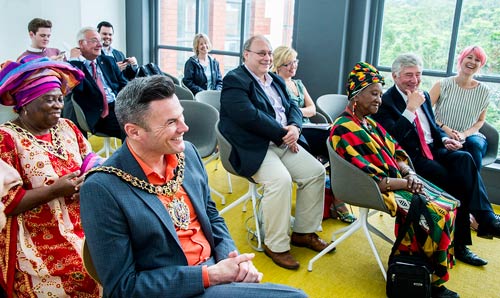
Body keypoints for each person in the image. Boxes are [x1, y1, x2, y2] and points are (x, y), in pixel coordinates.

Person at [79, 75, 307, 298]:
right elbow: (124, 288)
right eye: (171, 122)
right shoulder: (102, 188)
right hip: (174, 289)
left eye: (181, 117)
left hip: (215, 272)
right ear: (134, 131)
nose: (184, 127)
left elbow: (211, 215)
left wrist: (233, 260)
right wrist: (210, 276)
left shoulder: (187, 153)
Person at [331, 61, 459, 298]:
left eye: (380, 93)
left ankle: (419, 266)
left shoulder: (369, 122)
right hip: (376, 189)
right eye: (373, 94)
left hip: (399, 181)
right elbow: (371, 178)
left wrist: (409, 172)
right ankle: (434, 283)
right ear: (356, 96)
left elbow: (396, 150)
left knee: (449, 204)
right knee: (435, 214)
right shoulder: (344, 128)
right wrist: (406, 183)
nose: (379, 99)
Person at [373, 53, 500, 267]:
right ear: (395, 76)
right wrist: (410, 109)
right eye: (408, 75)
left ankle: (484, 218)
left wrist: (444, 139)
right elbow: (391, 140)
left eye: (418, 74)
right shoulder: (385, 102)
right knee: (457, 183)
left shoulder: (422, 93)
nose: (414, 80)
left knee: (465, 159)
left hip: (435, 148)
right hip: (413, 158)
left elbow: (431, 128)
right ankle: (461, 244)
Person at [219, 35, 328, 270]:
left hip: (283, 141)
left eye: (269, 53)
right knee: (280, 181)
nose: (267, 57)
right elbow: (248, 116)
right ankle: (276, 245)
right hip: (254, 146)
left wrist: (295, 128)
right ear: (246, 54)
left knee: (316, 172)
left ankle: (304, 232)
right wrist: (283, 132)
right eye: (261, 53)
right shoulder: (234, 80)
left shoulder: (275, 81)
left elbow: (292, 107)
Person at [0, 57, 101, 297]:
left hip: (83, 224)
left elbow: (92, 161)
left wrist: (91, 177)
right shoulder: (6, 139)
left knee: (116, 260)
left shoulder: (67, 127)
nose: (58, 105)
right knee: (82, 274)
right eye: (49, 99)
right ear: (26, 102)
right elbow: (8, 203)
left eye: (60, 99)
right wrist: (55, 190)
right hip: (37, 236)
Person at [272, 45, 355, 224]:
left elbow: (313, 109)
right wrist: (298, 113)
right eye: (288, 63)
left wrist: (295, 111)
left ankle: (334, 199)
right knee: (332, 143)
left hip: (309, 127)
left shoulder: (298, 84)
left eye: (295, 61)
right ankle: (336, 202)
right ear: (278, 64)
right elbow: (282, 114)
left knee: (337, 146)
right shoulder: (274, 84)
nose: (293, 66)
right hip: (292, 131)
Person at [429, 45, 491, 168]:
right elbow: (425, 112)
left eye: (477, 60)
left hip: (471, 136)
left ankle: (470, 186)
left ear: (481, 65)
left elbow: (480, 120)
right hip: (442, 134)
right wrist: (445, 129)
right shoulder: (442, 85)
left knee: (474, 146)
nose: (472, 62)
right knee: (449, 152)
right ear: (461, 59)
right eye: (469, 57)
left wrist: (464, 134)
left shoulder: (484, 91)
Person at [66, 26, 128, 141]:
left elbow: (124, 84)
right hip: (99, 116)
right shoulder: (75, 68)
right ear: (81, 44)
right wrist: (74, 61)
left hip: (119, 107)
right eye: (94, 41)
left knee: (147, 121)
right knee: (131, 128)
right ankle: (129, 158)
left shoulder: (108, 61)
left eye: (100, 40)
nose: (100, 44)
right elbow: (78, 89)